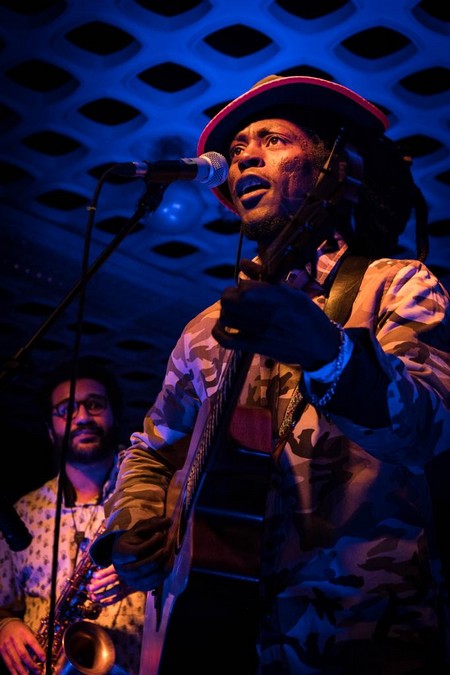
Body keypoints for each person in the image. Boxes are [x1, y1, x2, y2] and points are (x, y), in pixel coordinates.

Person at [90, 75, 450, 675]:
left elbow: (431, 431)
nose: (245, 156)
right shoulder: (204, 330)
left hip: (360, 639)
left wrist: (331, 355)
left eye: (274, 140)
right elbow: (148, 451)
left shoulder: (397, 285)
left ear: (332, 168)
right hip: (213, 638)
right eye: (237, 150)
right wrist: (133, 525)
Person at [0, 356, 147, 674]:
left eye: (94, 405)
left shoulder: (148, 496)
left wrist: (141, 573)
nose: (81, 417)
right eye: (66, 410)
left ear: (115, 415)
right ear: (49, 430)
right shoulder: (24, 512)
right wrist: (5, 626)